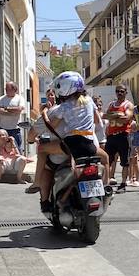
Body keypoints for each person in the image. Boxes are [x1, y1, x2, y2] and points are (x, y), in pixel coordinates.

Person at [35, 71, 100, 210]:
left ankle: (37, 184)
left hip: (73, 143)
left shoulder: (64, 107)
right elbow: (97, 121)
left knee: (41, 149)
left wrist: (45, 112)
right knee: (102, 163)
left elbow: (52, 126)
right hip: (90, 143)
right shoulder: (89, 101)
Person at [104, 85, 135, 190]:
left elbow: (126, 118)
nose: (119, 93)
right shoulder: (111, 104)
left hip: (123, 135)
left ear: (125, 92)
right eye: (117, 91)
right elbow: (105, 116)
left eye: (122, 91)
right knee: (108, 160)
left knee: (124, 161)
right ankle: (106, 181)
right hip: (111, 136)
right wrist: (118, 116)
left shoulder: (128, 104)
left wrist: (113, 116)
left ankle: (123, 183)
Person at [0, 81, 26, 149]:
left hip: (15, 129)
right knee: (3, 148)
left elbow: (19, 109)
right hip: (3, 128)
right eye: (6, 89)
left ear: (14, 89)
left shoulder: (20, 98)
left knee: (17, 148)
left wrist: (6, 108)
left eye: (8, 89)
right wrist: (12, 112)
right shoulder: (1, 99)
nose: (6, 91)